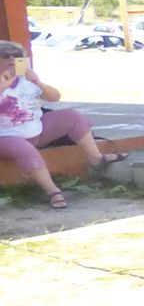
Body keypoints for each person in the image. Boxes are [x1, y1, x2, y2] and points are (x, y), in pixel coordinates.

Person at [0, 41, 126, 208]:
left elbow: (55, 97)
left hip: (35, 130)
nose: (11, 59)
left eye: (16, 56)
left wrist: (38, 82)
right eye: (5, 55)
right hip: (6, 137)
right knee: (25, 149)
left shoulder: (26, 81)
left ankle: (96, 159)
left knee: (71, 116)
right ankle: (53, 191)